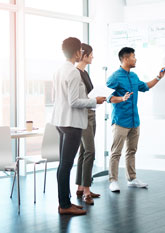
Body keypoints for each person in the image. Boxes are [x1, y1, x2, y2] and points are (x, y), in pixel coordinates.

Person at [51, 37, 106, 215]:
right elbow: (74, 101)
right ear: (77, 52)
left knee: (63, 164)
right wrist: (94, 101)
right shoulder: (73, 72)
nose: (82, 54)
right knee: (66, 165)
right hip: (72, 123)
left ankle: (65, 202)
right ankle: (65, 205)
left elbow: (57, 98)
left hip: (60, 121)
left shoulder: (59, 70)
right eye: (81, 51)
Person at [106, 47, 165, 192]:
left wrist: (159, 77)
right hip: (120, 120)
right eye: (134, 56)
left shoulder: (133, 76)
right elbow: (107, 97)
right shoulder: (115, 77)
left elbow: (145, 86)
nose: (136, 59)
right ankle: (113, 180)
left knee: (131, 151)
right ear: (126, 59)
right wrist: (121, 98)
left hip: (134, 120)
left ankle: (132, 178)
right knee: (116, 152)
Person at [74, 43, 101, 205]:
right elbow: (77, 98)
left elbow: (88, 94)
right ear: (84, 55)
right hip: (83, 116)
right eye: (91, 54)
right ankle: (86, 190)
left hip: (91, 113)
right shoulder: (76, 73)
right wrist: (93, 100)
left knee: (84, 152)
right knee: (90, 151)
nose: (92, 57)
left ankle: (80, 187)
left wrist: (97, 100)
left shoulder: (85, 73)